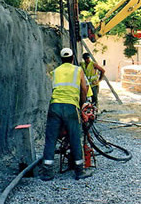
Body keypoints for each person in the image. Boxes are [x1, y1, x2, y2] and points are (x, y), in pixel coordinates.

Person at [40, 48, 94, 181]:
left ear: (61, 59)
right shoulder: (78, 70)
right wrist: (83, 104)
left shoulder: (55, 71)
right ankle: (79, 171)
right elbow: (84, 88)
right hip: (71, 107)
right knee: (75, 137)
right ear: (72, 58)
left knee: (51, 139)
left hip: (55, 106)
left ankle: (47, 173)